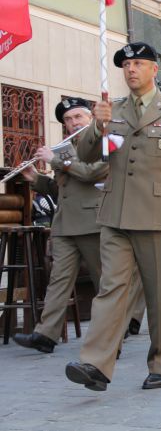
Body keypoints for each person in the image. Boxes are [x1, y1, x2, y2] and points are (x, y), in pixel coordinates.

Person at [66, 42, 161, 391]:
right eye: (126, 64)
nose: (131, 70)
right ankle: (96, 364)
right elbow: (90, 155)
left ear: (154, 69)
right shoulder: (115, 110)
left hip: (158, 216)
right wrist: (98, 125)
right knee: (110, 289)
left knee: (160, 295)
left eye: (139, 63)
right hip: (115, 214)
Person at [13, 98, 107, 353]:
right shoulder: (66, 146)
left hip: (93, 222)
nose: (72, 122)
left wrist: (55, 161)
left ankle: (109, 337)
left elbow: (92, 174)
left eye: (78, 117)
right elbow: (62, 188)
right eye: (67, 119)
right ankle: (46, 334)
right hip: (65, 223)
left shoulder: (102, 141)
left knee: (104, 283)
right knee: (59, 280)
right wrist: (37, 179)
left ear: (90, 118)